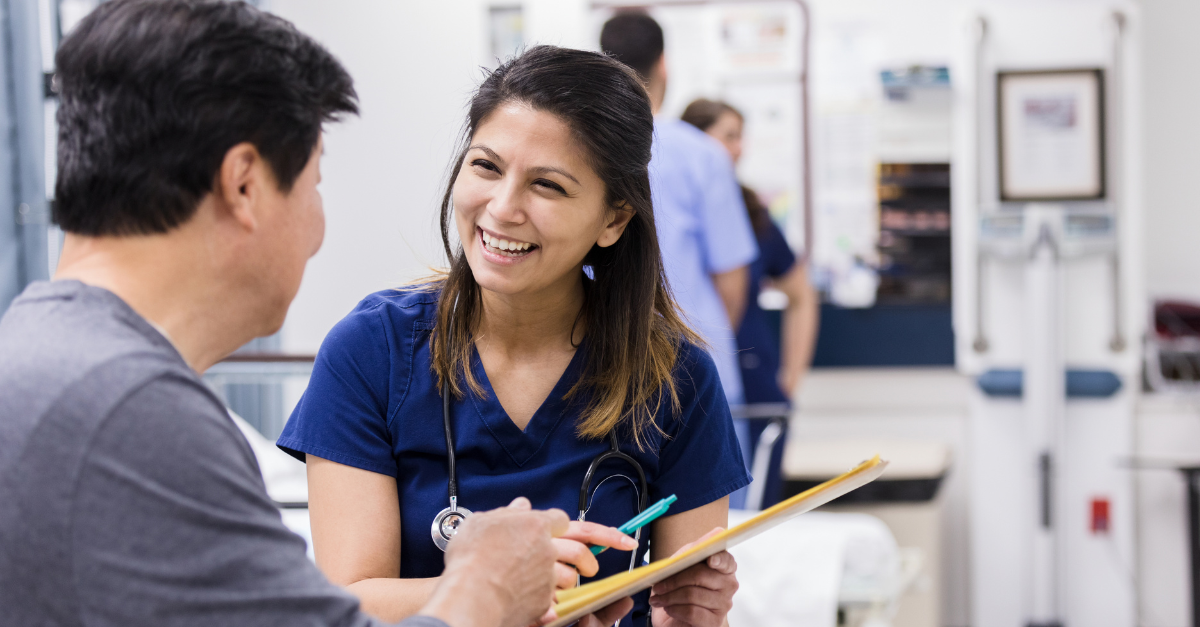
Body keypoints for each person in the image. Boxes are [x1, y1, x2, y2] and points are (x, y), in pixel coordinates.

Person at [0, 2, 631, 626]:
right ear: (244, 185)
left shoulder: (39, 360)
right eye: (314, 182)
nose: (317, 231)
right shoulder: (133, 414)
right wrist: (487, 588)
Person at [276, 46, 747, 627]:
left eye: (547, 185)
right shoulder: (372, 352)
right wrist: (502, 586)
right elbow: (349, 604)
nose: (502, 208)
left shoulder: (675, 377)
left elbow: (684, 605)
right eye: (486, 167)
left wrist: (693, 617)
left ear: (613, 219)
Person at [599, 14, 759, 508]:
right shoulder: (702, 155)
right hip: (698, 370)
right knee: (715, 539)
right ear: (664, 65)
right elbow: (732, 280)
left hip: (606, 373)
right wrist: (701, 345)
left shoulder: (590, 151)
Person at [681, 99, 820, 507]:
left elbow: (801, 295)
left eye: (741, 137)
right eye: (728, 136)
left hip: (753, 382)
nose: (739, 148)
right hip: (691, 381)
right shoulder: (665, 209)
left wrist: (790, 379)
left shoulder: (752, 212)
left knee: (757, 512)